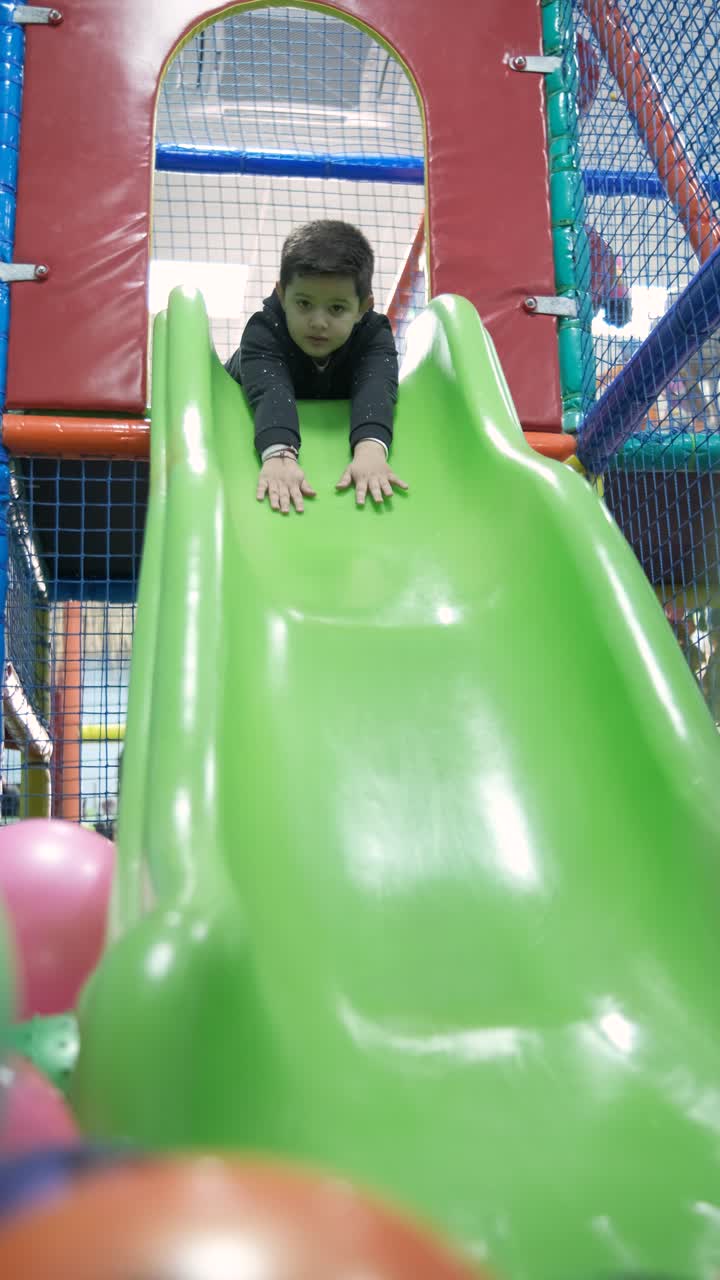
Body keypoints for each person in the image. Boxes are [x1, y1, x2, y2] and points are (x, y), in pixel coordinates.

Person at [225, 220, 408, 514]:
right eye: (304, 304)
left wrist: (370, 449)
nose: (318, 322)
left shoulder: (373, 335)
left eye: (336, 308)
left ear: (362, 307)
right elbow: (271, 390)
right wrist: (280, 455)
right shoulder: (264, 330)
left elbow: (376, 386)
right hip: (239, 398)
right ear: (282, 295)